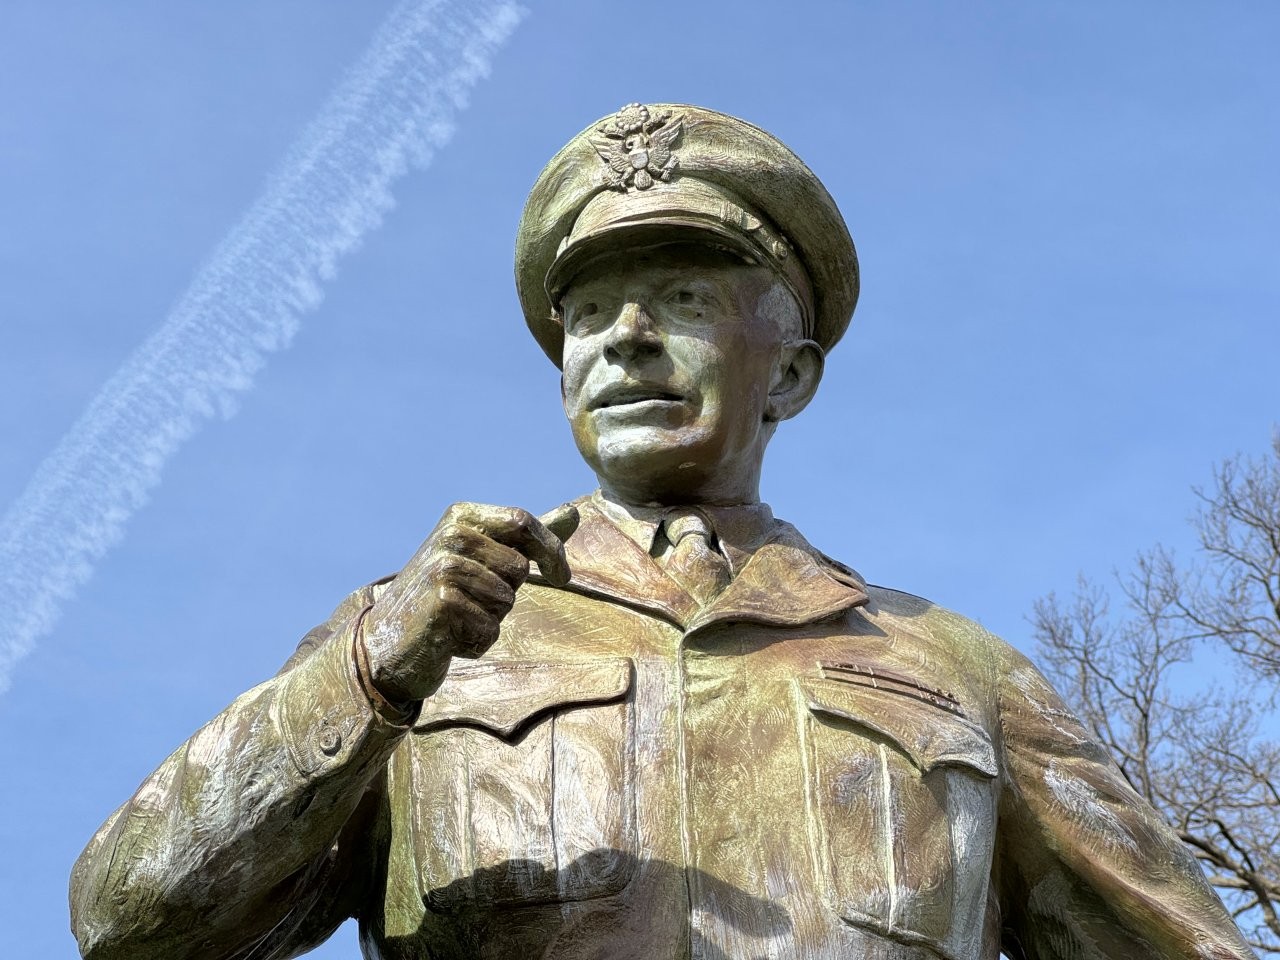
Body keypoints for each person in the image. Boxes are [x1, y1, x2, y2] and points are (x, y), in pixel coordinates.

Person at [70, 102, 1256, 960]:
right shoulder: (416, 641)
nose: (624, 338)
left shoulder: (955, 671)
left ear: (787, 374)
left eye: (681, 299)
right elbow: (127, 925)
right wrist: (372, 672)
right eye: (588, 312)